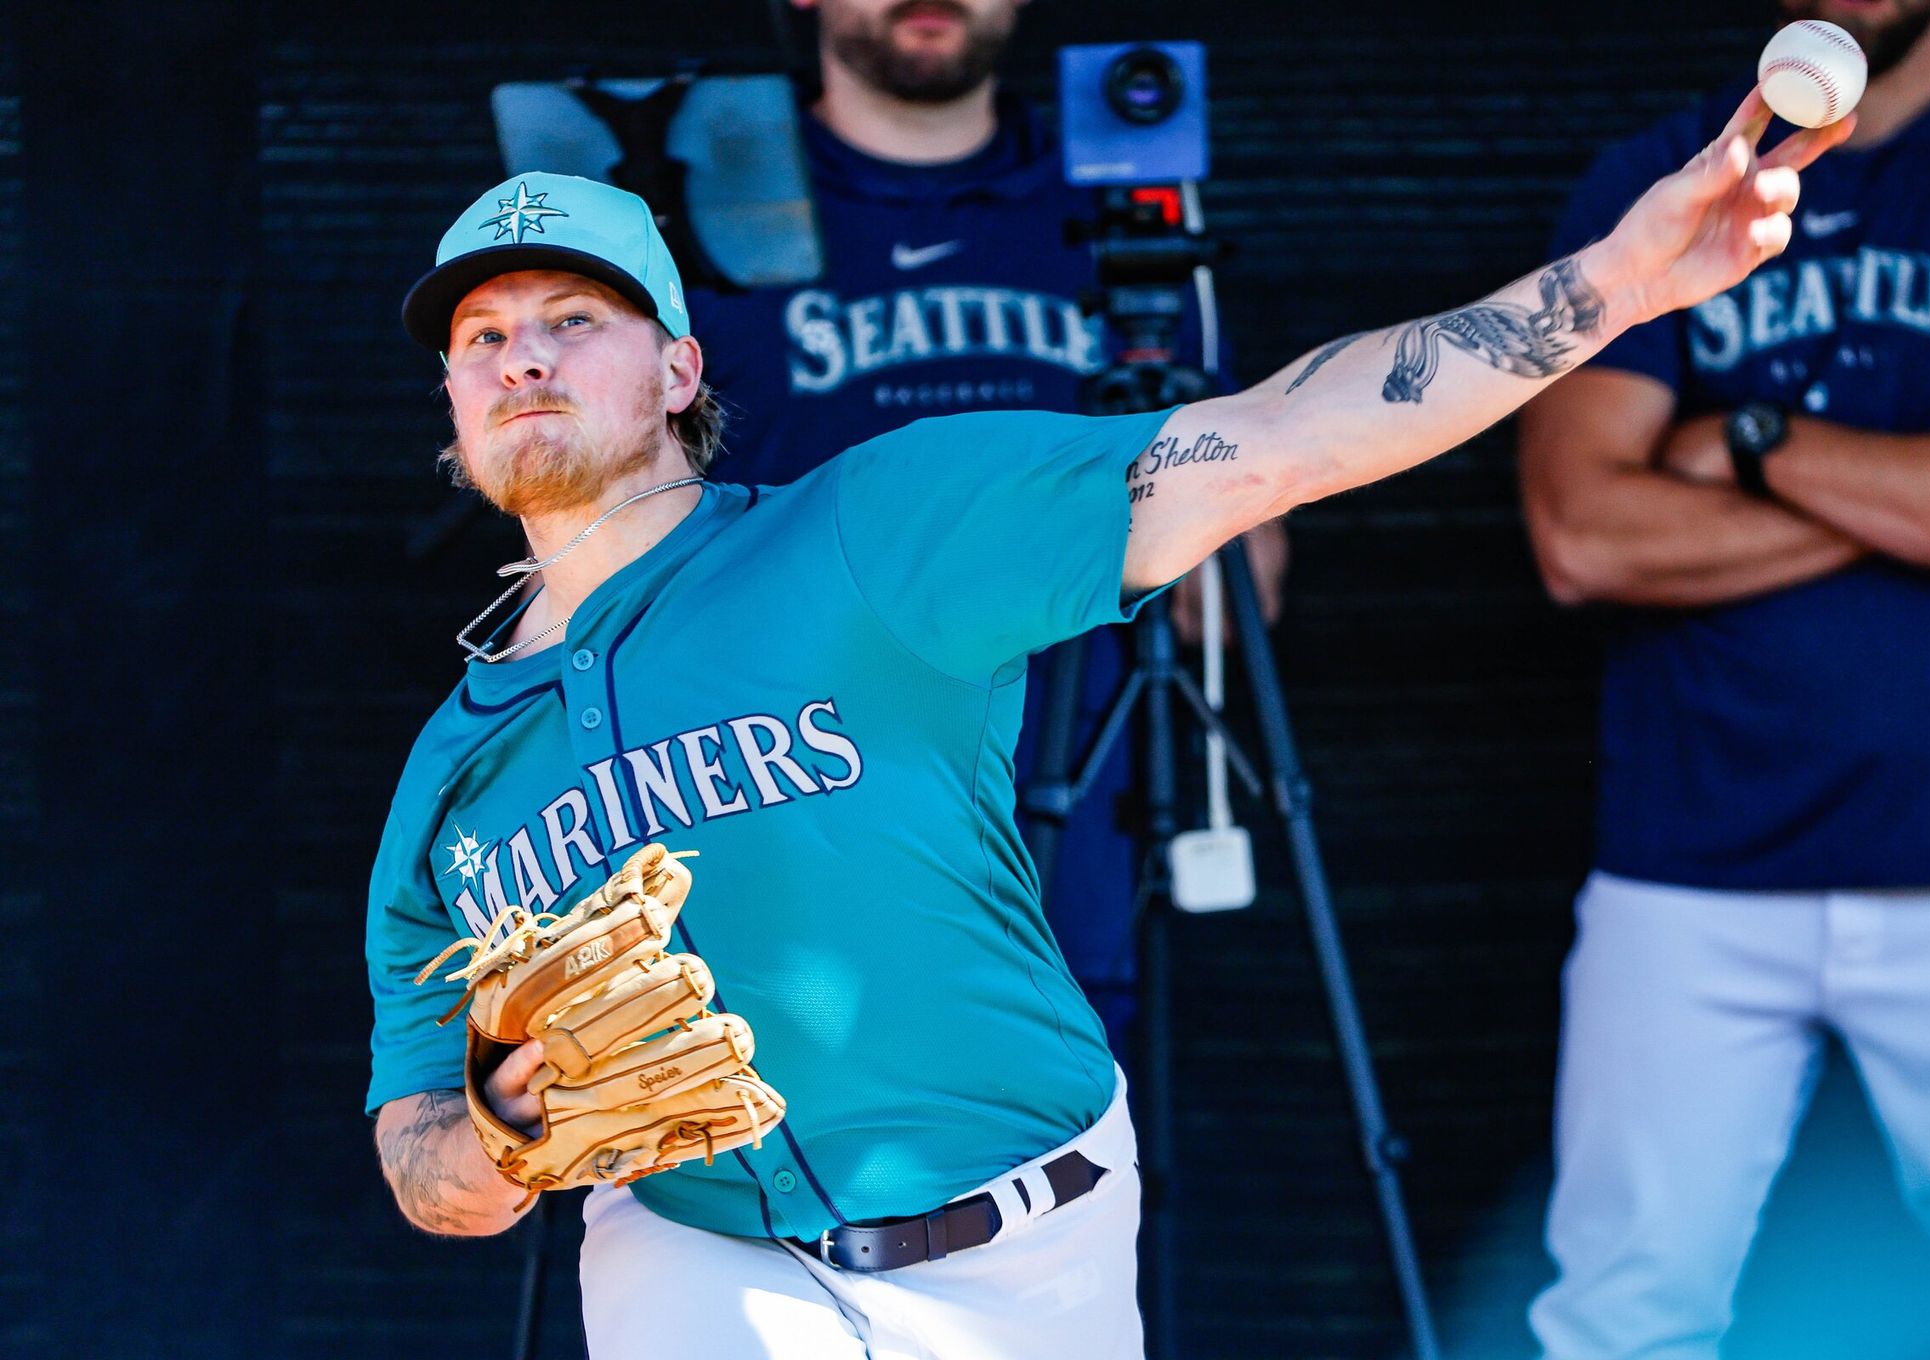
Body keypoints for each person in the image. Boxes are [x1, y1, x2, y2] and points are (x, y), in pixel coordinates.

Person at [365, 84, 1844, 1357]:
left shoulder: (872, 529)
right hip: (696, 1258)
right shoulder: (448, 782)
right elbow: (419, 1159)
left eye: (573, 317)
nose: (524, 358)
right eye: (481, 338)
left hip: (1023, 1252)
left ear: (681, 370)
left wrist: (1615, 286)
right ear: (451, 400)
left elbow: (1276, 441)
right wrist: (505, 1137)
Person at [1518, 3, 1930, 1355]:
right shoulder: (1667, 172)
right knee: (1622, 1317)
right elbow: (1582, 533)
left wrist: (1746, 439)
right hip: (1692, 867)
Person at [686, 0, 1284, 1056]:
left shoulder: (1124, 198)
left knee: (1073, 1182)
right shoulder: (709, 200)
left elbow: (1237, 598)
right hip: (782, 812)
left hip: (1062, 808)